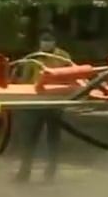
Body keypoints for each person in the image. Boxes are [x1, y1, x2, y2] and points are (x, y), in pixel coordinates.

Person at [14, 27, 72, 183]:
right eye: (43, 40)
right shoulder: (33, 59)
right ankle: (24, 172)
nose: (46, 43)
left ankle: (50, 173)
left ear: (55, 41)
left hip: (55, 103)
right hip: (35, 103)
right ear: (40, 42)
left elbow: (71, 78)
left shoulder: (64, 58)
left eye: (49, 40)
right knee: (29, 139)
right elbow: (25, 81)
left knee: (53, 139)